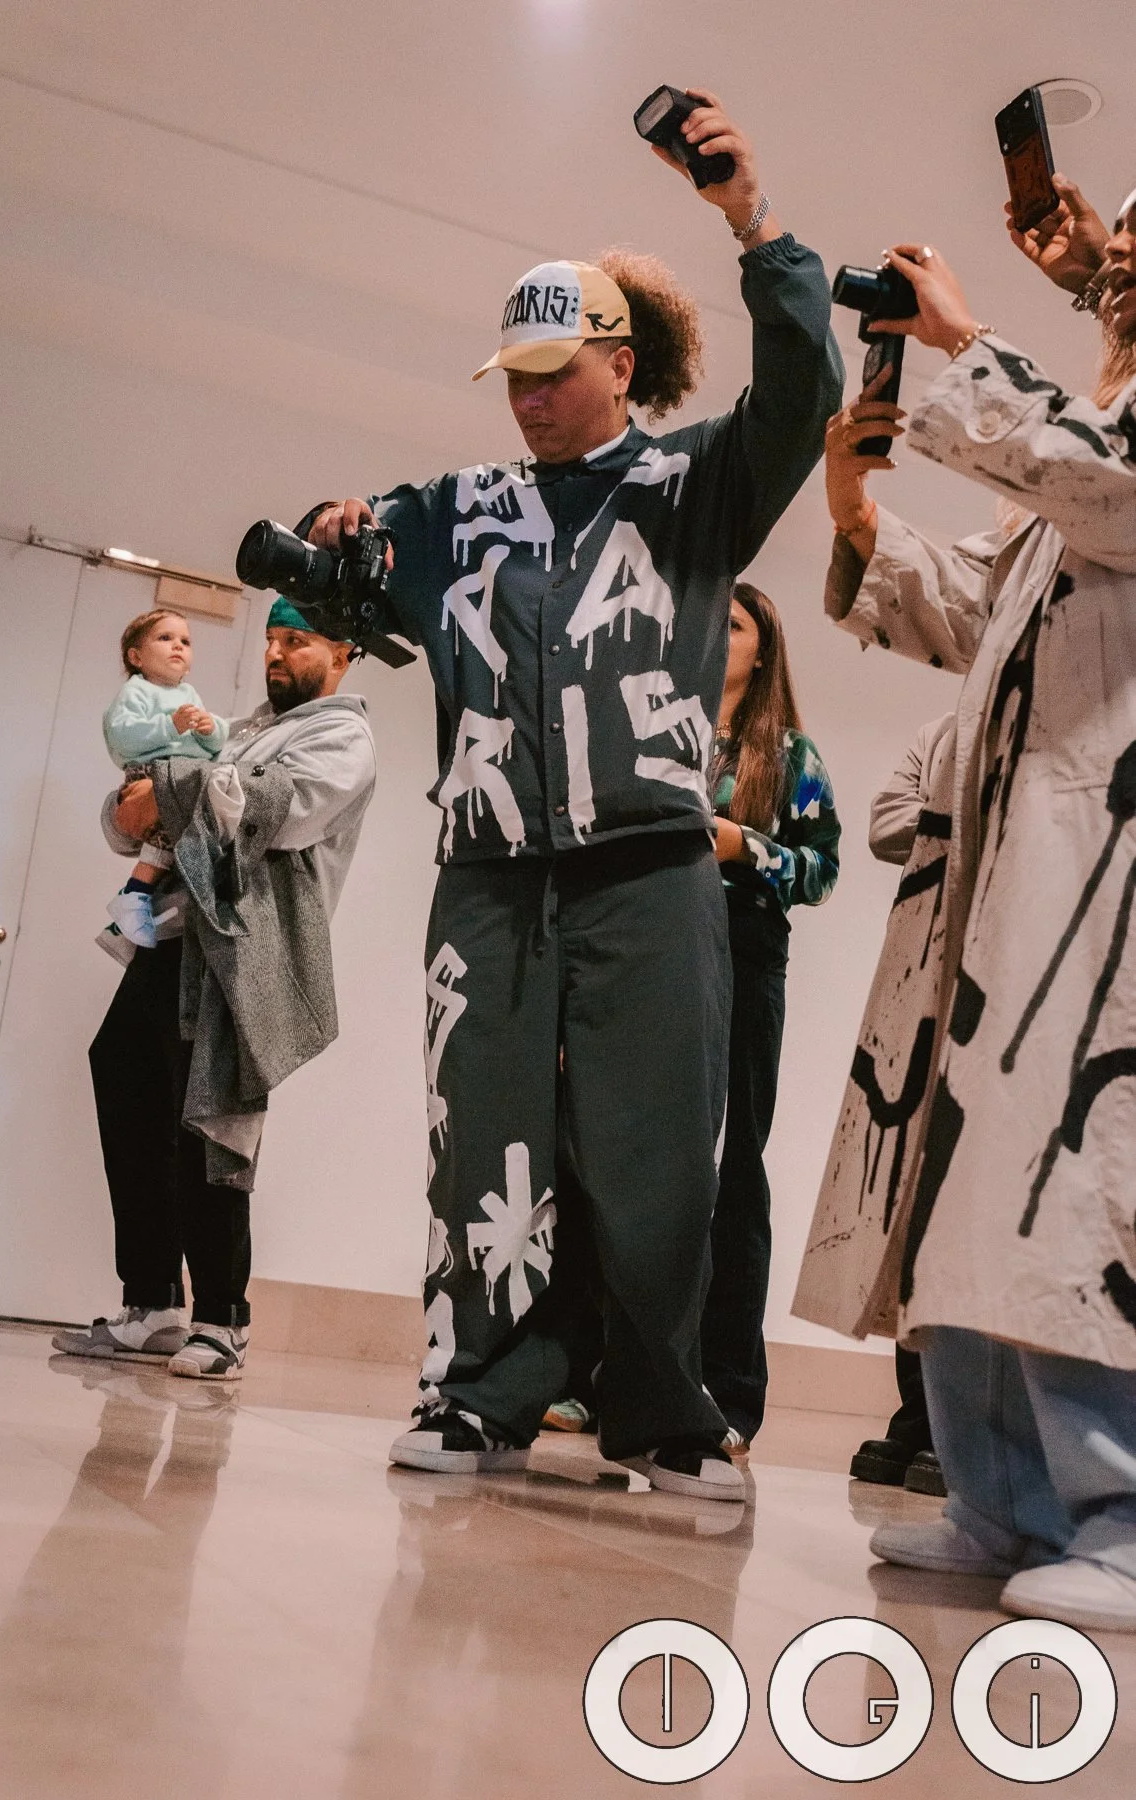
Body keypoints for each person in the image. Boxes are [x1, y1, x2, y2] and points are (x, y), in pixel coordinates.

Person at [304, 89, 843, 1501]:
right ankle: (477, 1394)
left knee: (656, 1151)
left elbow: (802, 395)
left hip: (650, 872)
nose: (529, 398)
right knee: (481, 1137)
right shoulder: (457, 506)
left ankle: (662, 1415)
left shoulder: (693, 485)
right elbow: (347, 570)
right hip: (488, 875)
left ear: (617, 364)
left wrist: (750, 221)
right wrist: (330, 532)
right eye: (514, 377)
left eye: (554, 372)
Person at [794, 175, 1136, 1629]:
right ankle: (1001, 1502)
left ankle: (1120, 1515)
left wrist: (964, 343)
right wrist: (856, 512)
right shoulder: (1094, 424)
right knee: (974, 1179)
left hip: (1103, 869)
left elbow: (1114, 496)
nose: (1116, 258)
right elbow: (976, 611)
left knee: (1078, 1180)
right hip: (1012, 860)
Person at [54, 599, 376, 1380]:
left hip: (244, 953)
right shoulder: (247, 728)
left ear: (341, 654)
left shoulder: (343, 736)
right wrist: (150, 797)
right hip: (177, 935)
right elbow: (138, 815)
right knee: (131, 1088)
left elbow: (272, 809)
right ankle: (152, 1305)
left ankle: (223, 1321)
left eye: (296, 641)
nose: (276, 653)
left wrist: (168, 790)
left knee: (214, 1126)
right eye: (271, 639)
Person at [702, 582, 840, 1453]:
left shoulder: (789, 755)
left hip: (746, 958)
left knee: (735, 1171)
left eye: (736, 624)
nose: (718, 633)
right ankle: (607, 1374)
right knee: (637, 1163)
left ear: (764, 652)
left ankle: (730, 1391)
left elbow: (823, 871)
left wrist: (742, 845)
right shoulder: (660, 730)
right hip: (656, 955)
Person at [846, 713, 954, 1499]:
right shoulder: (945, 730)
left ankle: (966, 1427)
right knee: (914, 1204)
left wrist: (946, 819)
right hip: (929, 973)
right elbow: (886, 824)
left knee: (971, 1205)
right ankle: (920, 1414)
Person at [100, 609, 228, 954]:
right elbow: (122, 736)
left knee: (188, 836)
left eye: (185, 641)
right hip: (151, 772)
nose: (178, 646)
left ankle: (141, 900)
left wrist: (211, 729)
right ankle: (135, 892)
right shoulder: (137, 691)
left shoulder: (189, 693)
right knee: (167, 831)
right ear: (136, 657)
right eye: (165, 638)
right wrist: (170, 726)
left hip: (185, 773)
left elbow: (215, 747)